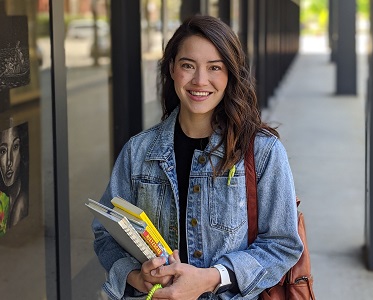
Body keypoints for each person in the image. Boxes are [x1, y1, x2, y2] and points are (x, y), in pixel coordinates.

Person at [92, 15, 303, 300]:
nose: (200, 80)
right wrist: (134, 276)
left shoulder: (262, 152)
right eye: (188, 65)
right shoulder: (138, 151)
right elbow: (106, 233)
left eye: (214, 67)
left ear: (230, 74)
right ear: (172, 69)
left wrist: (210, 279)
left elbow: (282, 244)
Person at [0, 125, 28, 229]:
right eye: (3, 151)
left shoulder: (21, 203)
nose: (9, 161)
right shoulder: (5, 201)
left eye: (15, 147)